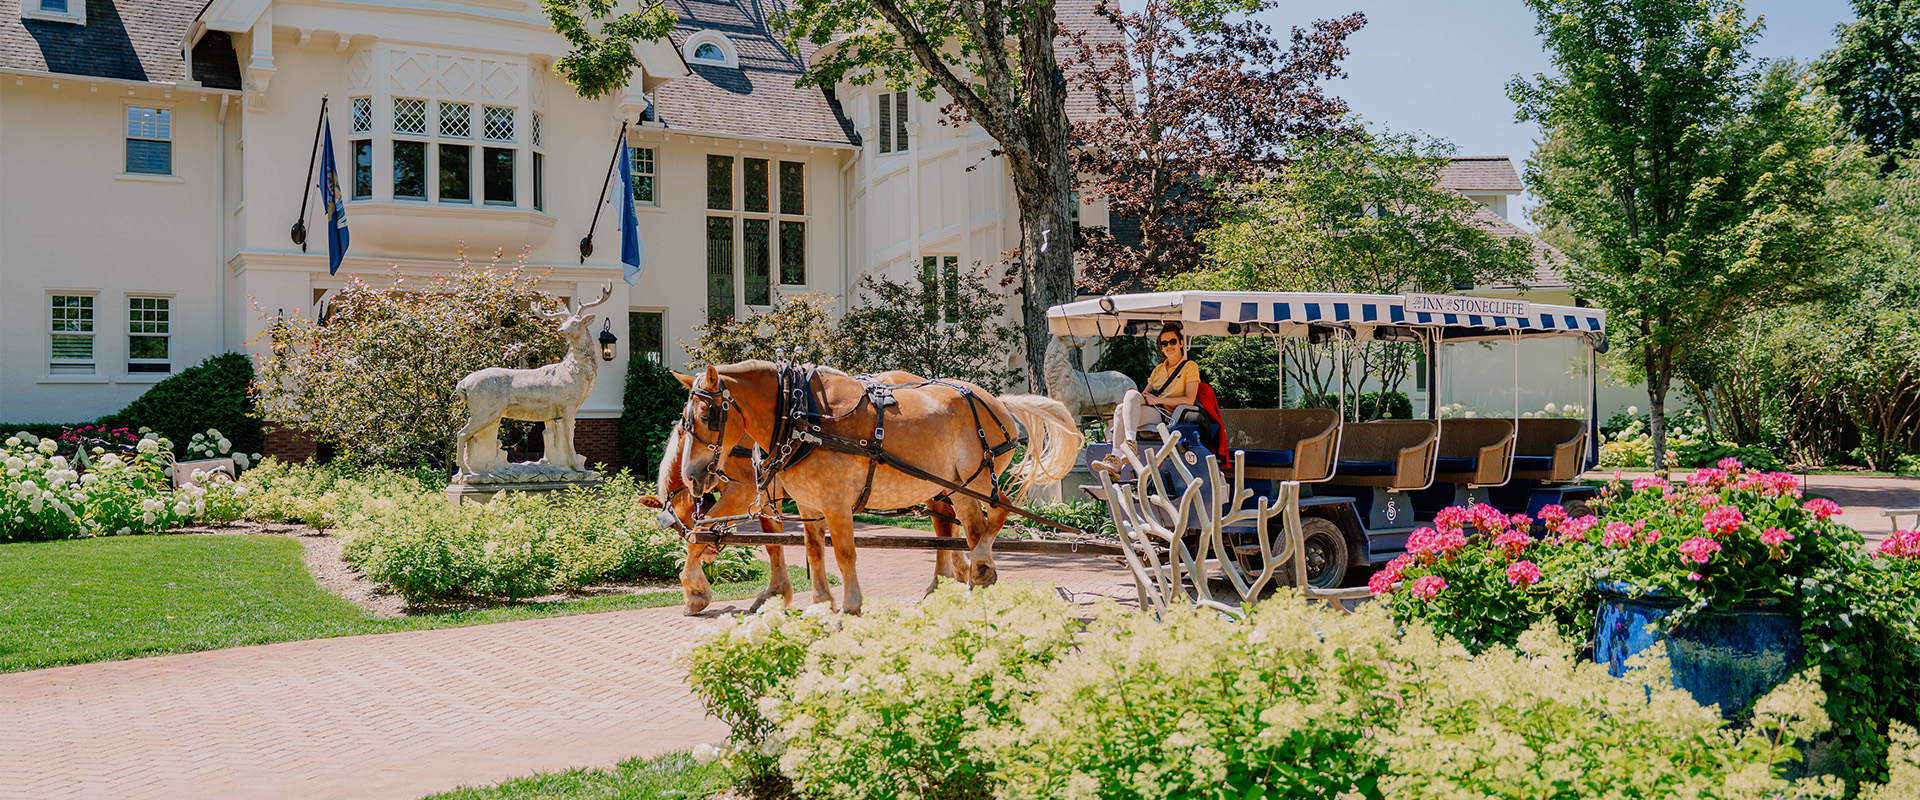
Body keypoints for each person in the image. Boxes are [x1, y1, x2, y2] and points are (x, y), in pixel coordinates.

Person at [1111, 321, 1201, 447]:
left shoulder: (1190, 366)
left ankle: (1125, 449)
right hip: (1153, 409)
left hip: (1168, 415)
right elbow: (1145, 396)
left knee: (1121, 410)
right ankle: (1121, 452)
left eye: (1172, 341)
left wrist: (1158, 400)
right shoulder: (1158, 369)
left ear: (1181, 343)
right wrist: (1132, 396)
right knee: (1124, 403)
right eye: (1164, 343)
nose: (1168, 346)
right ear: (1161, 348)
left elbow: (1189, 400)